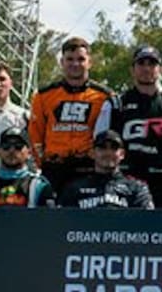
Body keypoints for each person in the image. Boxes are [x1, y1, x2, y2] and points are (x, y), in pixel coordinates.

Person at [29, 36, 117, 195]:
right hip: (54, 169)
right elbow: (35, 135)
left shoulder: (104, 97)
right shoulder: (43, 96)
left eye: (81, 59)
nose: (75, 64)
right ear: (62, 62)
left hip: (88, 168)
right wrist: (43, 162)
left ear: (89, 62)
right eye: (70, 59)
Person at [109, 45, 162, 205]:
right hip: (124, 178)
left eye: (152, 63)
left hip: (160, 179)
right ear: (132, 69)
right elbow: (101, 139)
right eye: (141, 63)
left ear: (161, 70)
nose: (146, 68)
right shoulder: (117, 103)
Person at [58, 130, 155, 210]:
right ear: (92, 153)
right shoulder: (74, 188)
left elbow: (147, 222)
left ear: (122, 154)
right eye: (102, 148)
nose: (108, 153)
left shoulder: (137, 188)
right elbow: (63, 223)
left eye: (114, 148)